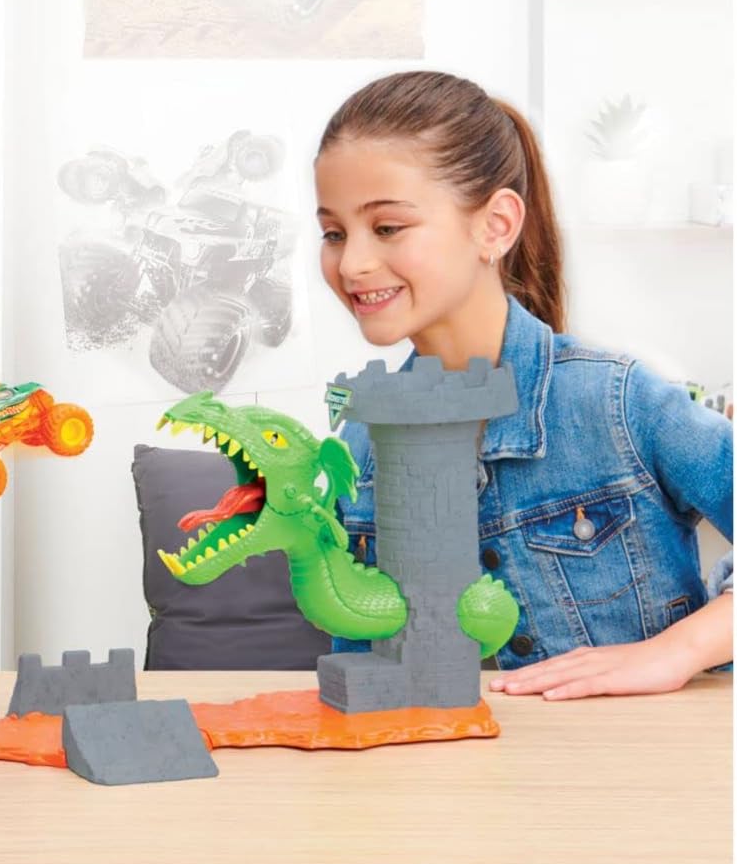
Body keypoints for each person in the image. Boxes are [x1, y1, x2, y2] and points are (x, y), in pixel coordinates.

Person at [313, 70, 732, 700]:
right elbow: (370, 677)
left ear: (496, 225)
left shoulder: (615, 402)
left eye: (388, 227)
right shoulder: (361, 444)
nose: (352, 263)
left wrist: (675, 652)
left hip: (637, 757)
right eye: (334, 233)